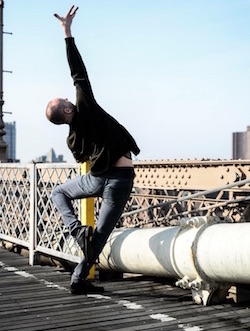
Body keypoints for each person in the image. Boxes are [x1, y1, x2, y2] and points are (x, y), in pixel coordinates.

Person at [45, 5, 140, 295]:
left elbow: (83, 158)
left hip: (98, 178)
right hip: (119, 178)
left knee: (58, 192)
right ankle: (78, 275)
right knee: (99, 235)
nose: (66, 94)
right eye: (63, 98)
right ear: (67, 107)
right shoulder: (85, 107)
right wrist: (67, 33)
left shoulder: (71, 139)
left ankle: (76, 248)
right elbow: (78, 71)